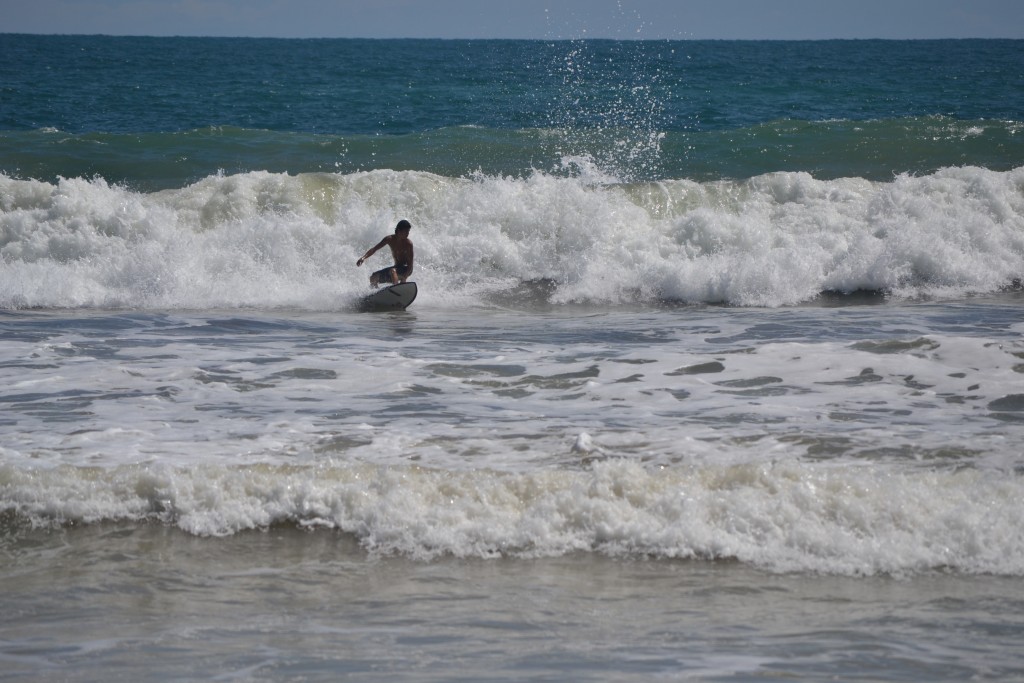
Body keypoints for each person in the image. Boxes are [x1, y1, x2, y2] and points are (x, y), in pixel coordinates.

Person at [356, 219, 414, 287]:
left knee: (393, 271)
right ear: (399, 230)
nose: (408, 234)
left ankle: (397, 290)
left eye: (408, 231)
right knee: (373, 277)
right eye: (406, 231)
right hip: (395, 269)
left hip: (406, 269)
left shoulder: (408, 244)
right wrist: (363, 258)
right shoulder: (389, 239)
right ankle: (377, 295)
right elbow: (374, 249)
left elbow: (410, 266)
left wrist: (404, 277)